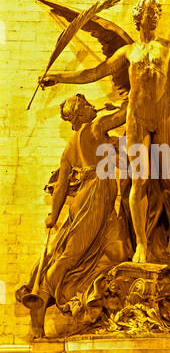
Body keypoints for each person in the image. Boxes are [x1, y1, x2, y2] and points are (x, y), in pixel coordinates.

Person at [39, 0, 170, 264]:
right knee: (139, 182)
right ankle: (142, 245)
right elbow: (95, 72)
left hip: (162, 117)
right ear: (138, 18)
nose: (155, 15)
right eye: (149, 11)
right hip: (136, 120)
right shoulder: (128, 53)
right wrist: (59, 78)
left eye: (157, 10)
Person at [16, 94, 129, 337]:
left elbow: (61, 187)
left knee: (121, 254)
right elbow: (129, 111)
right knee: (69, 255)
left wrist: (54, 217)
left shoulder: (69, 147)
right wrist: (119, 105)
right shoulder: (96, 127)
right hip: (95, 196)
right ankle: (38, 308)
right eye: (87, 105)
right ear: (79, 115)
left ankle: (94, 300)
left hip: (99, 202)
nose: (92, 107)